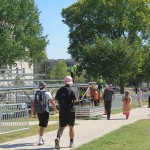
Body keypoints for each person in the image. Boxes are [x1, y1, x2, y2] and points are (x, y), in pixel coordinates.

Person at [55, 76, 78, 149]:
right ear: (70, 83)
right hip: (70, 110)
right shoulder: (72, 91)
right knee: (71, 127)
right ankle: (71, 142)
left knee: (61, 127)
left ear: (64, 82)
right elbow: (75, 100)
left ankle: (58, 138)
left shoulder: (59, 90)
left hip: (62, 110)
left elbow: (55, 100)